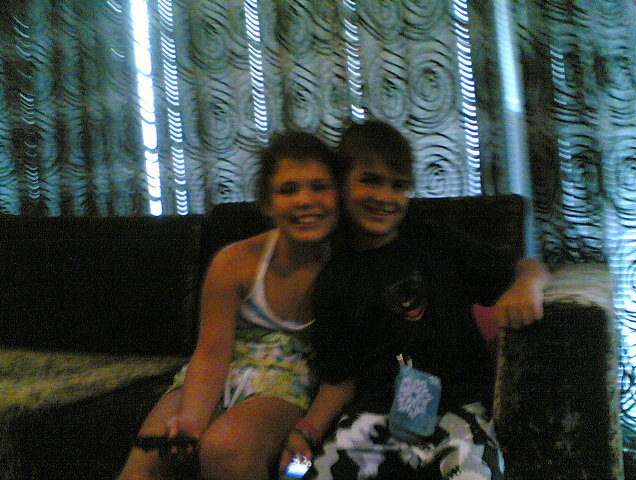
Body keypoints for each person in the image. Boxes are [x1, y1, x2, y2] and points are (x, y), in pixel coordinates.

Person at [279, 120, 551, 479]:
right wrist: (305, 433)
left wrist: (527, 286)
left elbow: (527, 267)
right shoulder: (334, 278)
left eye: (398, 186)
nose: (385, 197)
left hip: (456, 409)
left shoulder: (434, 240)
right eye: (370, 180)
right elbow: (339, 381)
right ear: (342, 186)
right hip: (371, 417)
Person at [117, 130, 339, 480]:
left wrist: (307, 430)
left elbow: (345, 368)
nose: (305, 200)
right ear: (267, 204)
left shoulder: (347, 269)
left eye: (319, 187)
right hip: (220, 372)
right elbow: (211, 353)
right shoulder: (235, 262)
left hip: (287, 381)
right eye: (288, 190)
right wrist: (191, 420)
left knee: (226, 448)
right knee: (146, 463)